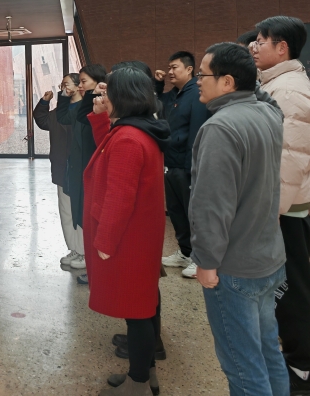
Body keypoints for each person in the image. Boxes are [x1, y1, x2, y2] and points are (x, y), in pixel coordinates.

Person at [190, 42, 288, 396]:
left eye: (203, 74)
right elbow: (268, 100)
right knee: (268, 351)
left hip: (234, 268)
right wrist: (251, 76)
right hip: (268, 258)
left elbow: (211, 205)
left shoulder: (221, 127)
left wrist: (206, 261)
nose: (198, 80)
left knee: (244, 368)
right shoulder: (268, 114)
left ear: (227, 82)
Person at [82, 68, 171, 395]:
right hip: (139, 235)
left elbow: (120, 195)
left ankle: (138, 384)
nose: (103, 97)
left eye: (109, 93)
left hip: (128, 239)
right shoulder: (137, 129)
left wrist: (105, 241)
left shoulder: (129, 138)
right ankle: (146, 375)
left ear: (123, 97)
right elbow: (107, 152)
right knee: (142, 307)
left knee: (137, 313)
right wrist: (99, 117)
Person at [251, 16, 310, 395]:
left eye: (261, 41)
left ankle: (301, 365)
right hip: (282, 204)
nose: (254, 47)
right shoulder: (277, 83)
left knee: (292, 287)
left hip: (286, 207)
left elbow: (290, 158)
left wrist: (271, 212)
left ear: (282, 47)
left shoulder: (288, 90)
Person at [154, 51, 209, 280]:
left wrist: (191, 167)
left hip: (187, 166)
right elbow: (158, 106)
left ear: (189, 69)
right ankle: (185, 252)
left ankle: (199, 257)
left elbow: (196, 132)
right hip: (171, 163)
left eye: (174, 67)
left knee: (192, 213)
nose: (170, 71)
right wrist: (158, 85)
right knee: (176, 212)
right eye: (169, 67)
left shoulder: (196, 93)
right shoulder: (174, 95)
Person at [56, 63, 107, 284]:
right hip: (77, 166)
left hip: (90, 168)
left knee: (87, 214)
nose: (80, 86)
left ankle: (89, 256)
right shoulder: (84, 107)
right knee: (76, 212)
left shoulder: (103, 106)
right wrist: (64, 96)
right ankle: (80, 252)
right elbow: (65, 118)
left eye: (84, 81)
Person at [32, 73, 85, 270]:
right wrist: (44, 102)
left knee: (80, 211)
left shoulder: (86, 109)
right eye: (62, 85)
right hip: (62, 167)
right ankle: (74, 249)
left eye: (67, 84)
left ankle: (84, 251)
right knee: (66, 210)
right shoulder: (58, 112)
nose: (63, 88)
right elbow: (42, 121)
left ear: (79, 87)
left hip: (80, 168)